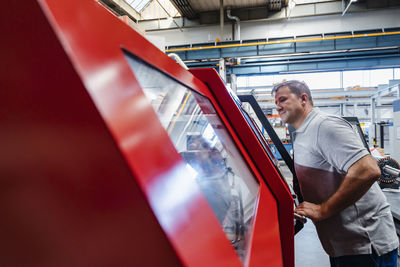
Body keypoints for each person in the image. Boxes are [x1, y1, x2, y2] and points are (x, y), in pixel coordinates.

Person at [272, 80, 398, 267]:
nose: (278, 106)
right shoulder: (302, 133)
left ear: (303, 99)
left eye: (282, 99)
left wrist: (323, 210)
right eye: (276, 102)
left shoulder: (324, 126)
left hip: (366, 245)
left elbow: (368, 170)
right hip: (344, 244)